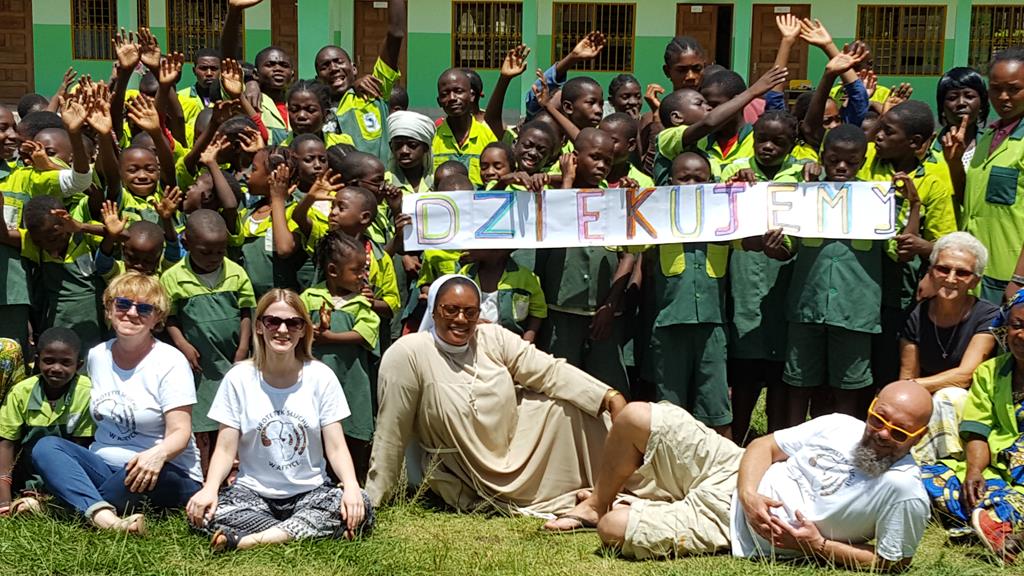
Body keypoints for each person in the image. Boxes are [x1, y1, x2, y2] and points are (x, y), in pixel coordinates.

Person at [545, 381, 933, 572]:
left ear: (919, 436)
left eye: (899, 432)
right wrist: (749, 493)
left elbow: (893, 563)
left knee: (614, 529)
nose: (883, 434)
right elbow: (764, 446)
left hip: (732, 526)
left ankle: (636, 506)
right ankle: (597, 502)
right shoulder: (839, 425)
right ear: (871, 408)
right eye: (878, 419)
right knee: (636, 416)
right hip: (733, 468)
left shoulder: (904, 491)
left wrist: (817, 546)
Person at [365, 274, 626, 516]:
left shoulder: (491, 337)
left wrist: (608, 396)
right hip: (466, 473)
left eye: (470, 312)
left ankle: (617, 480)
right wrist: (375, 499)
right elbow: (391, 430)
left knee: (573, 408)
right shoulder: (409, 352)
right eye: (450, 309)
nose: (461, 319)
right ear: (433, 310)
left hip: (515, 447)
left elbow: (547, 370)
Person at [186, 288, 372, 551]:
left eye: (293, 323)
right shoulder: (238, 378)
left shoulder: (321, 376)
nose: (283, 330)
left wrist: (351, 486)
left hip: (310, 492)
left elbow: (336, 446)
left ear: (303, 330)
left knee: (361, 502)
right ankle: (302, 530)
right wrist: (210, 488)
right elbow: (225, 449)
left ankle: (249, 540)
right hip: (252, 493)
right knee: (205, 512)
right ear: (259, 326)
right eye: (273, 321)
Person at [30, 272, 202, 534]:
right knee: (46, 447)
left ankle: (64, 505)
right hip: (104, 464)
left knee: (127, 478)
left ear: (157, 318)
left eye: (144, 309)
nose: (131, 313)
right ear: (109, 310)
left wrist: (156, 455)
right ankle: (109, 521)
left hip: (162, 469)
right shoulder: (98, 356)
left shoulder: (171, 362)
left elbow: (181, 432)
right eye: (122, 304)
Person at [921, 290, 1024, 564]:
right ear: (1005, 327)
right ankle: (988, 520)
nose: (1022, 335)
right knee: (926, 476)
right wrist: (975, 471)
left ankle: (993, 520)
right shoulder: (990, 372)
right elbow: (978, 428)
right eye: (1017, 325)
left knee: (1009, 500)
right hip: (994, 470)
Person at [161, 210, 255, 465]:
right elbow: (170, 317)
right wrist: (182, 344)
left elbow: (246, 311)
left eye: (220, 252)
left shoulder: (236, 272)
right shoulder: (173, 277)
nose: (214, 258)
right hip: (199, 361)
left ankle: (234, 469)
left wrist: (243, 348)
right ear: (186, 243)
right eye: (205, 252)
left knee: (233, 416)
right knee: (202, 420)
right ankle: (204, 471)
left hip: (231, 357)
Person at [900, 232, 999, 463]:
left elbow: (965, 376)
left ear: (975, 281)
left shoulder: (988, 316)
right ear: (931, 271)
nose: (951, 278)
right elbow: (906, 375)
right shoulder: (915, 315)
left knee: (948, 396)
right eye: (943, 269)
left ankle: (935, 464)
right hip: (928, 401)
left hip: (972, 406)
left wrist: (914, 386)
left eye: (962, 273)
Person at [300, 230, 380, 482]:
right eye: (357, 270)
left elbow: (365, 334)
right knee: (317, 427)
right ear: (333, 271)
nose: (363, 276)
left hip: (351, 379)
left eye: (364, 269)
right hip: (315, 380)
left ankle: (353, 482)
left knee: (353, 428)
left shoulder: (362, 303)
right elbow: (297, 325)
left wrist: (329, 338)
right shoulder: (309, 298)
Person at [0, 328, 93, 516]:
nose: (56, 368)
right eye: (48, 361)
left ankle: (53, 500)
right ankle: (28, 497)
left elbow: (81, 447)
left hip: (67, 470)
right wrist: (3, 498)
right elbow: (7, 443)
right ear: (37, 360)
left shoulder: (86, 393)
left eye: (66, 363)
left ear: (79, 365)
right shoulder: (21, 392)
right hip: (27, 469)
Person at [962, 48, 1024, 304]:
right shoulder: (989, 136)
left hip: (1007, 274)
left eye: (1014, 89)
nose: (1004, 97)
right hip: (973, 269)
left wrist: (1019, 278)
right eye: (996, 89)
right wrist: (954, 162)